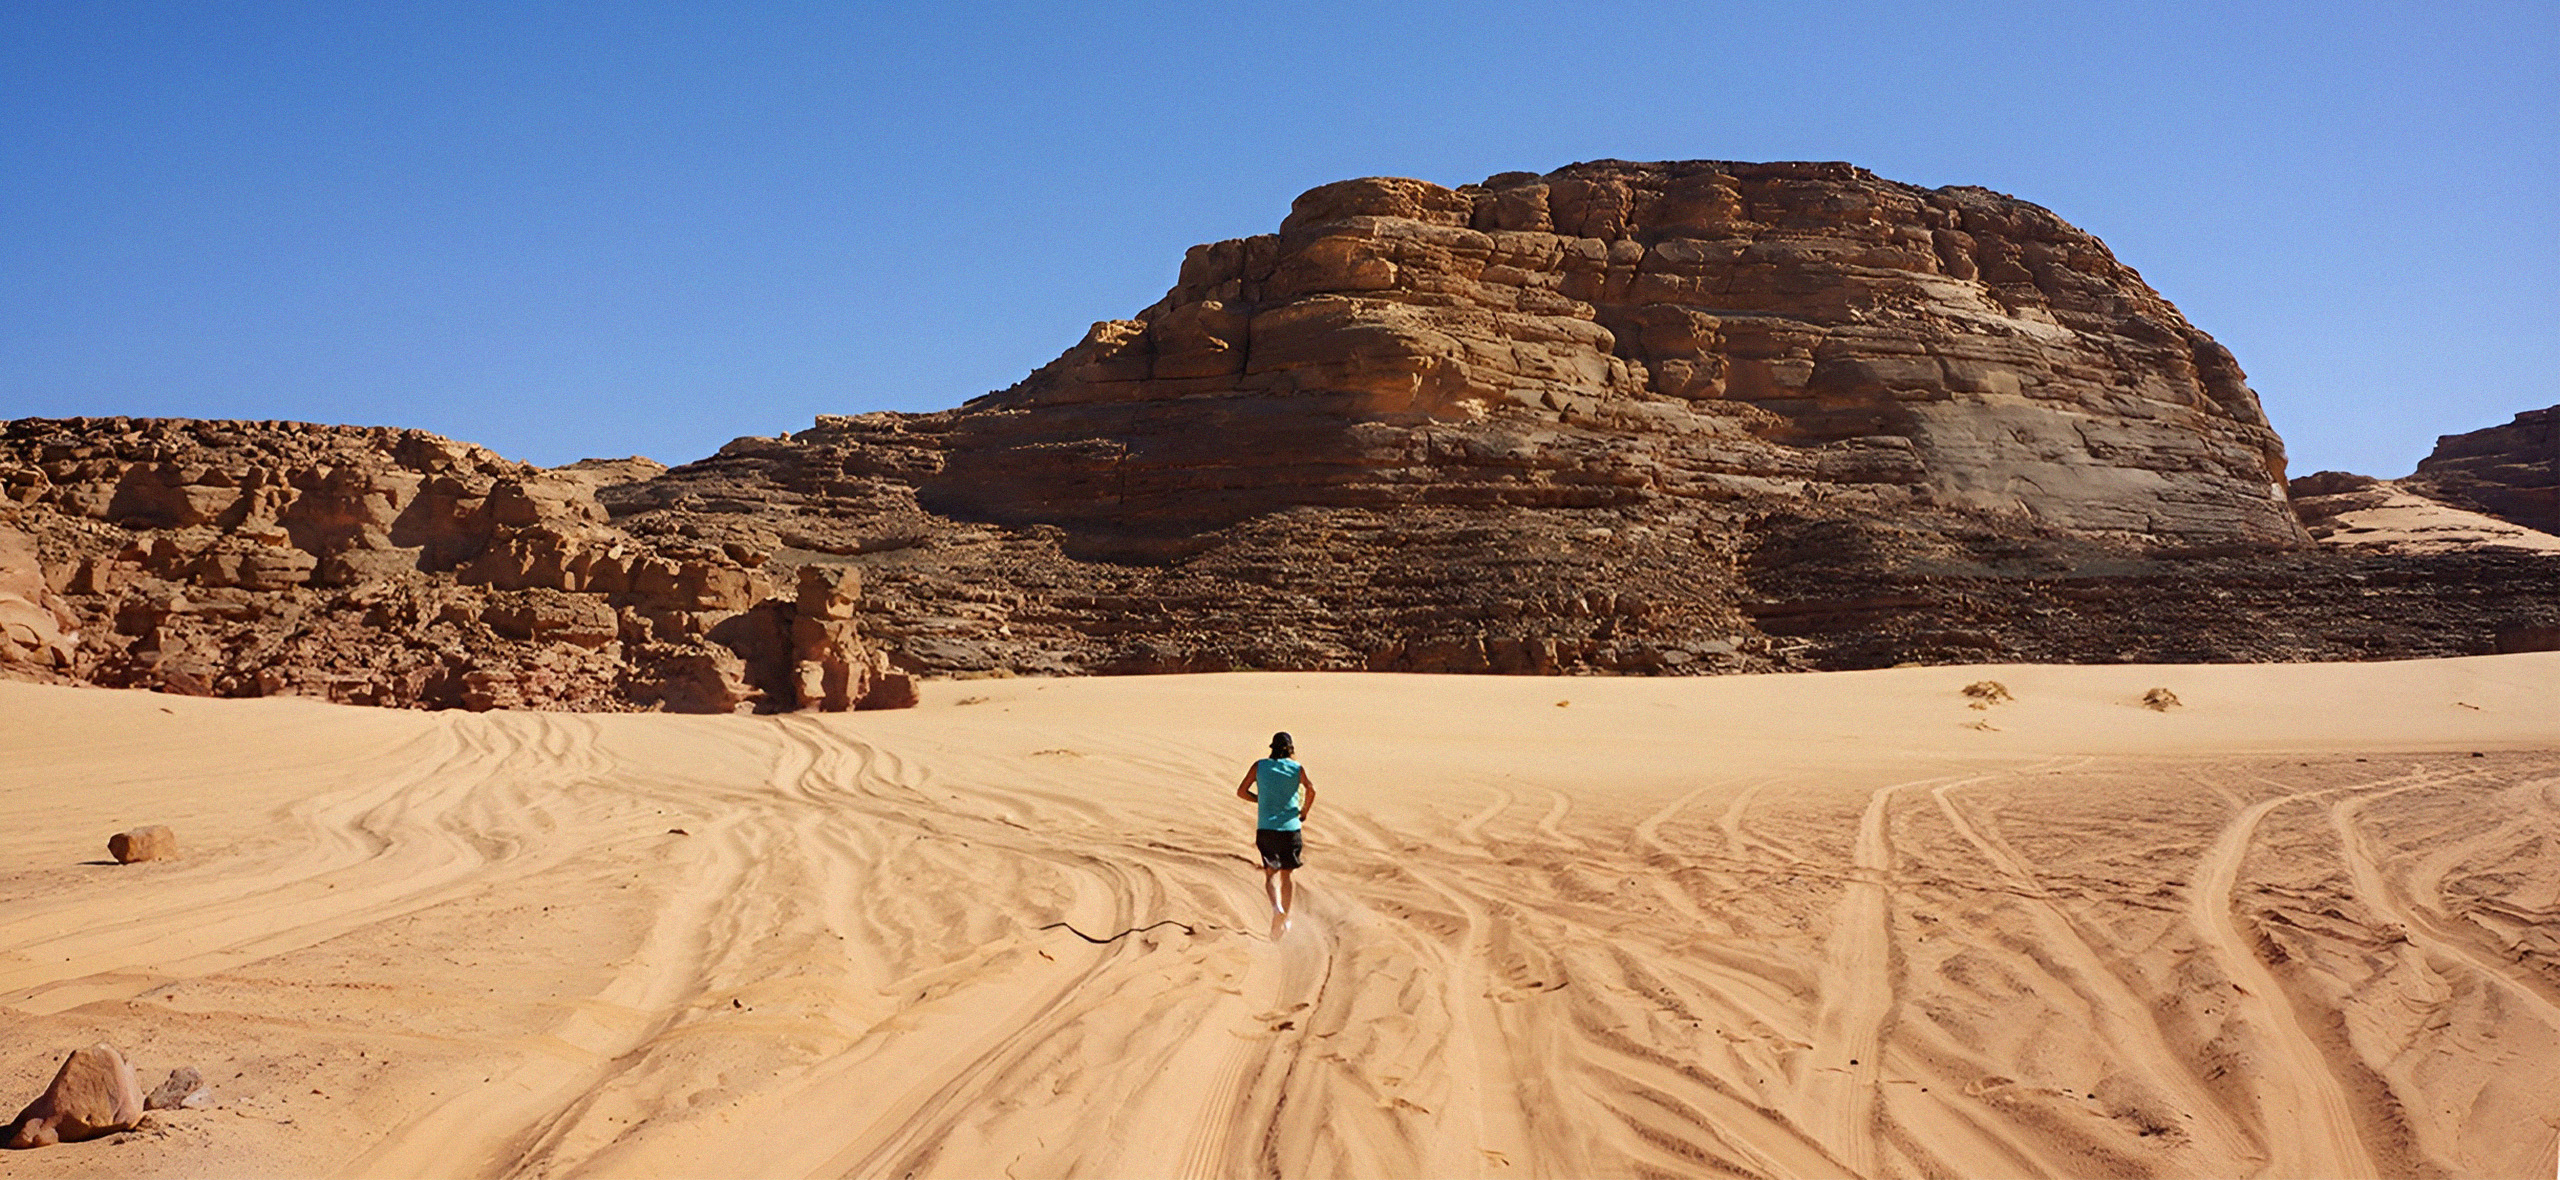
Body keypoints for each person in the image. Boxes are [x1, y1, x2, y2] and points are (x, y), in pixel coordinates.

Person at [1236, 731, 1316, 939]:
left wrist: (1260, 801)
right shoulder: (1297, 769)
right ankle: (1285, 919)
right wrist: (1304, 811)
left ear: (1272, 748)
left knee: (1271, 873)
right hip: (1291, 828)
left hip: (1266, 828)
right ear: (1291, 750)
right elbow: (1311, 790)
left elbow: (1241, 791)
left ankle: (1276, 910)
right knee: (1287, 874)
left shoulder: (1259, 766)